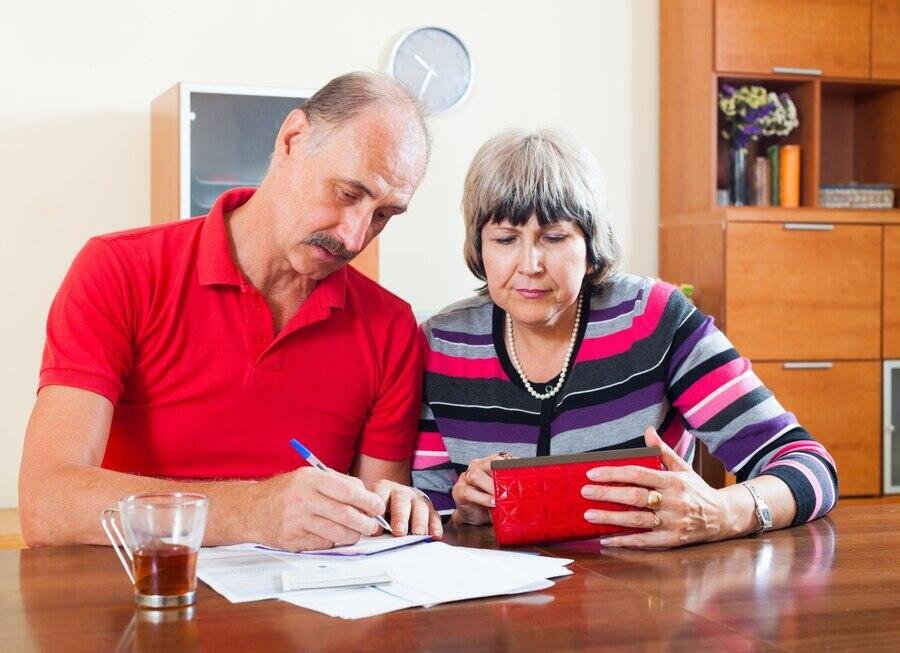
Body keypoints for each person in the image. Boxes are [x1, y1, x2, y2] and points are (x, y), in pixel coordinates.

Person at [20, 72, 442, 551]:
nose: (353, 237)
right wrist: (254, 511)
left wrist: (389, 509)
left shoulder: (390, 326)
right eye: (347, 194)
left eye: (384, 215)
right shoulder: (119, 270)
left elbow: (373, 524)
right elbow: (46, 505)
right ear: (292, 139)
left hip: (305, 612)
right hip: (141, 602)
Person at [412, 128, 837, 548]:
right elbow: (422, 512)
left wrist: (723, 512)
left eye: (554, 237)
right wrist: (464, 514)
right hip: (500, 608)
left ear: (590, 242)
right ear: (478, 247)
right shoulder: (443, 344)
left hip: (651, 598)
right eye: (505, 239)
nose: (530, 264)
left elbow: (809, 467)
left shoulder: (652, 320)